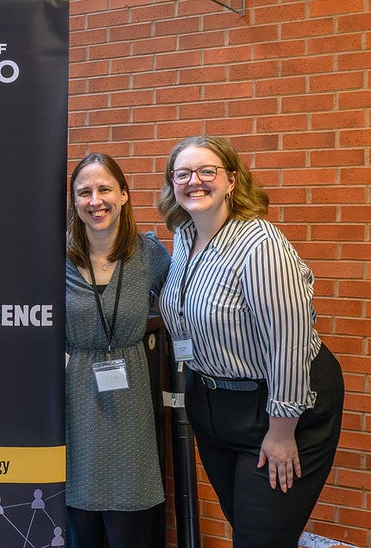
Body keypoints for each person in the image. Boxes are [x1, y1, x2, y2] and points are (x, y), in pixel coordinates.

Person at [157, 136, 344, 547]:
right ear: (172, 183)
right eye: (183, 173)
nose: (195, 181)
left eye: (208, 171)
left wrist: (281, 431)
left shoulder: (261, 245)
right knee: (248, 529)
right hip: (214, 405)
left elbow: (288, 342)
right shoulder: (185, 237)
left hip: (281, 406)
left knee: (261, 539)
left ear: (232, 181)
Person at [65, 153, 170, 548]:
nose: (96, 200)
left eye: (105, 189)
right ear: (74, 202)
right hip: (73, 397)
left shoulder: (149, 254)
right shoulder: (54, 258)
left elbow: (184, 304)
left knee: (130, 527)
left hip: (130, 402)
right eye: (84, 192)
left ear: (124, 195)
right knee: (81, 527)